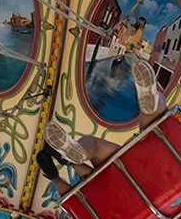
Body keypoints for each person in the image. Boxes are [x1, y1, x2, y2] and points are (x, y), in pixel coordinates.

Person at [36, 56, 168, 195]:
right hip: (117, 186)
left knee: (153, 122)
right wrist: (56, 179)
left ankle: (80, 153)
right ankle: (73, 159)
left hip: (139, 172)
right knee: (94, 166)